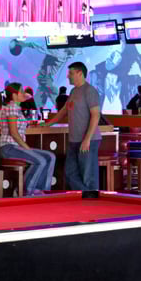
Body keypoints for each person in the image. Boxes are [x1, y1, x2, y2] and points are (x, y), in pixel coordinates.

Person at [45, 62, 101, 192]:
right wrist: (47, 124)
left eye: (70, 73)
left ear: (79, 73)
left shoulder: (90, 91)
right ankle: (87, 196)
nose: (68, 76)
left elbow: (96, 115)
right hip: (74, 140)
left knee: (88, 176)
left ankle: (91, 199)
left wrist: (87, 139)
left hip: (88, 140)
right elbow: (63, 111)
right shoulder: (73, 91)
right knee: (70, 173)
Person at [0, 83, 56, 195]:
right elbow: (14, 133)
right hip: (9, 147)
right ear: (14, 95)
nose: (24, 94)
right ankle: (24, 191)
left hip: (16, 147)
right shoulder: (12, 107)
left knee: (50, 157)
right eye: (21, 91)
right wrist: (27, 148)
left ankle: (40, 190)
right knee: (40, 160)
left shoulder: (17, 108)